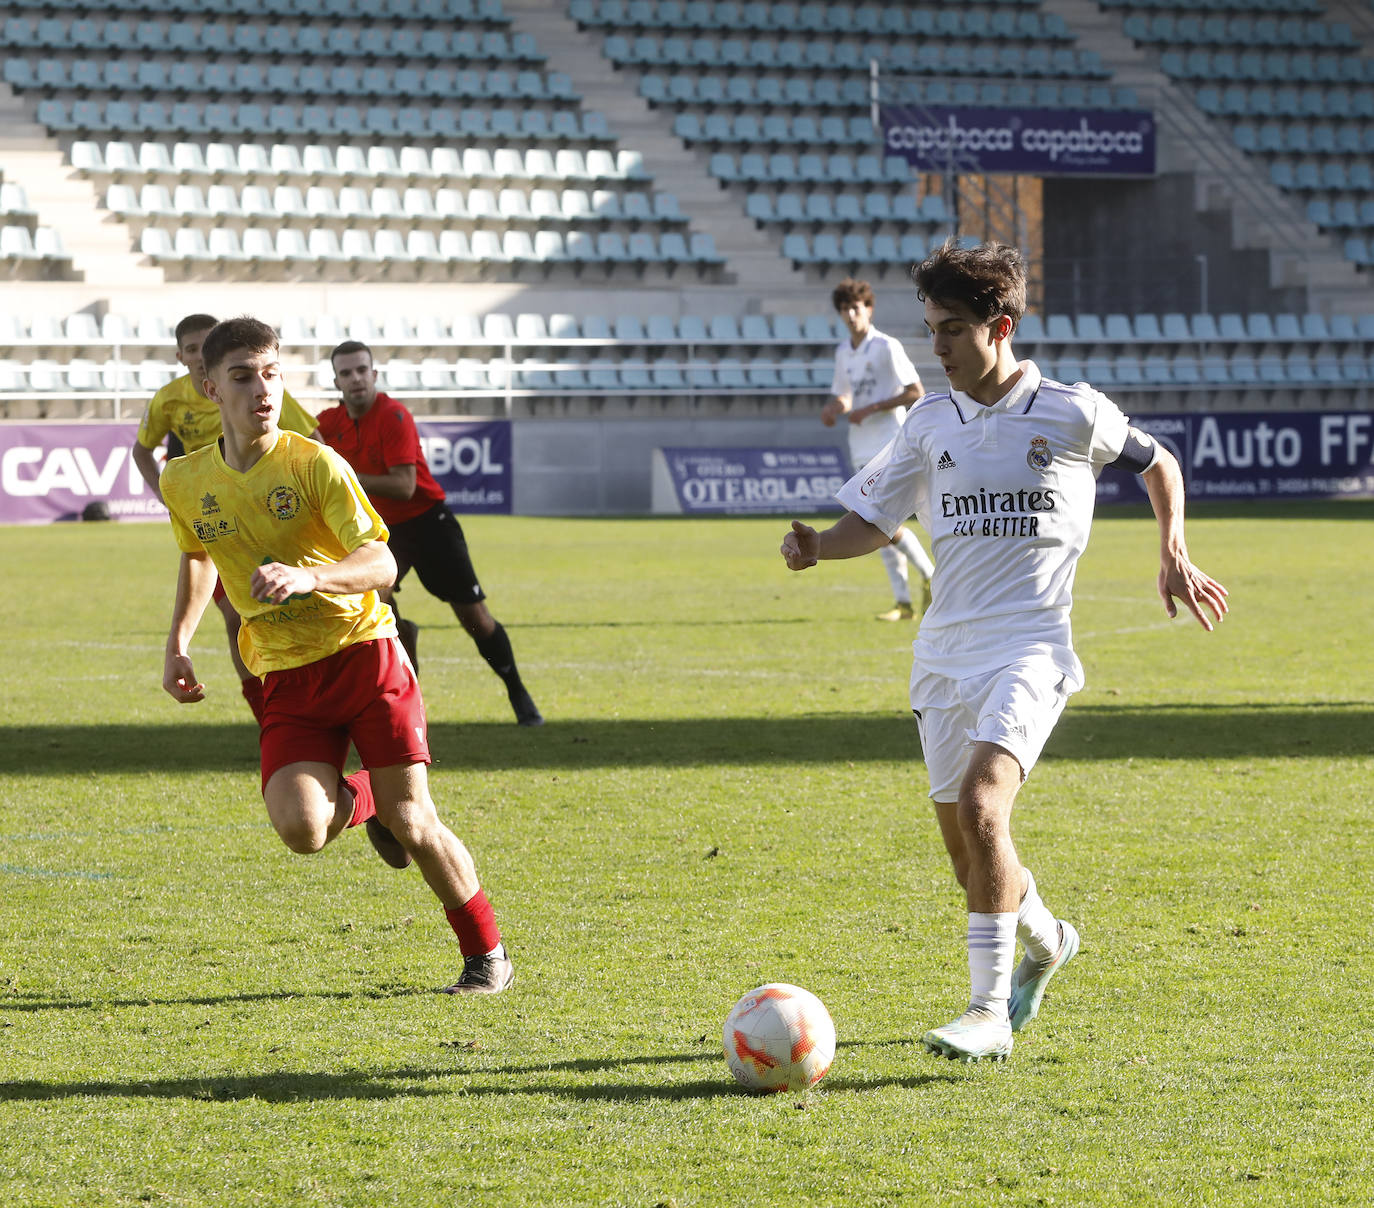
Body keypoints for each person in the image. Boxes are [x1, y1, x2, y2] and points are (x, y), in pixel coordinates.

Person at [782, 240, 1228, 1062]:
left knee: (988, 810)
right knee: (968, 857)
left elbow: (1158, 462)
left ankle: (987, 1014)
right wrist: (819, 547)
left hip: (1031, 648)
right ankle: (1048, 937)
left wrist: (1173, 549)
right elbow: (877, 521)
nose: (938, 347)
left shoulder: (1070, 411)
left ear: (1002, 326)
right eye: (931, 329)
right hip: (942, 656)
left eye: (953, 329)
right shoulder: (928, 423)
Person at [160, 317, 513, 994]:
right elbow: (199, 554)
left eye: (271, 372)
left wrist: (311, 575)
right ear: (208, 388)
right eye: (242, 376)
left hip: (363, 653)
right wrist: (178, 642)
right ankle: (367, 802)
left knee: (415, 820)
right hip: (284, 670)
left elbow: (381, 559)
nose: (262, 388)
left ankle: (486, 954)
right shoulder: (185, 481)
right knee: (301, 829)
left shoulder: (314, 462)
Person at [315, 340, 543, 727]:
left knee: (475, 618)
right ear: (336, 381)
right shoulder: (326, 425)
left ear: (374, 375)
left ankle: (516, 690)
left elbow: (404, 486)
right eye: (346, 373)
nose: (355, 379)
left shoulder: (394, 416)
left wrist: (343, 471)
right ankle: (404, 705)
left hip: (428, 523)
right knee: (374, 605)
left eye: (361, 370)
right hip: (382, 533)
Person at [133, 312, 321, 724]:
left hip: (272, 518)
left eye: (207, 345)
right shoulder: (170, 400)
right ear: (182, 357)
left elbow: (314, 439)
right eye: (194, 349)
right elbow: (141, 450)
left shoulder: (262, 395)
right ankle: (268, 714)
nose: (201, 355)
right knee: (240, 613)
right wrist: (172, 501)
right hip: (217, 522)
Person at [823, 278, 935, 621]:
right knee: (875, 522)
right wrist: (835, 407)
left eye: (856, 308)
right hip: (860, 444)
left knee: (877, 520)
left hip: (890, 442)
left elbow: (915, 391)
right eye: (845, 309)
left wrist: (870, 409)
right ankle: (903, 602)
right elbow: (844, 393)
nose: (851, 314)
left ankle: (931, 576)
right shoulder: (844, 352)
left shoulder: (886, 346)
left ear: (868, 310)